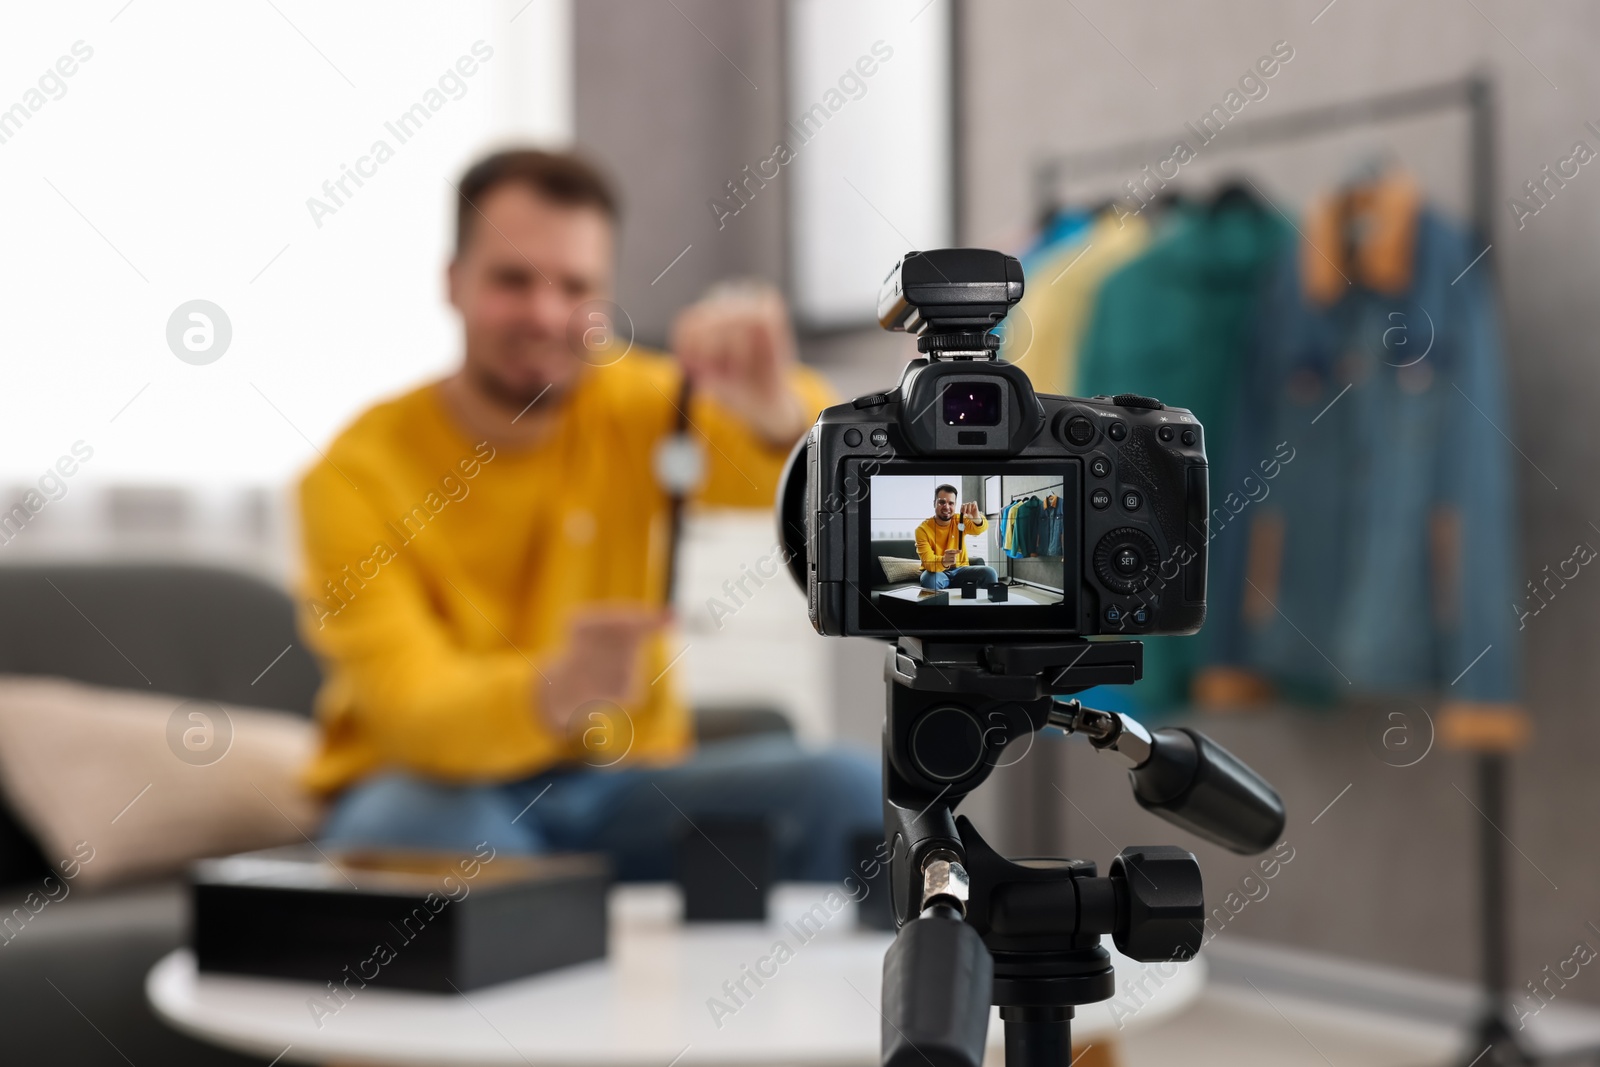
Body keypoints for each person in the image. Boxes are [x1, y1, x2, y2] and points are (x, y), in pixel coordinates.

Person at [297, 148, 878, 881]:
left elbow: (829, 483)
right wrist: (552, 689)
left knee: (850, 791)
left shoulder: (640, 404)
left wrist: (779, 414)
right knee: (458, 857)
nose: (544, 313)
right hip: (436, 787)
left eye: (574, 286)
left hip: (624, 787)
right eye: (513, 280)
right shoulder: (355, 474)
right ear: (453, 283)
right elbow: (408, 710)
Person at [914, 485, 999, 591]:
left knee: (990, 573)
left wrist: (976, 518)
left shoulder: (960, 520)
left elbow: (980, 529)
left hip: (961, 570)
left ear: (955, 505)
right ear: (934, 503)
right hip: (937, 573)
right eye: (942, 502)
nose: (946, 507)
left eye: (951, 503)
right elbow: (928, 561)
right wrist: (944, 561)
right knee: (928, 579)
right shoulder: (922, 529)